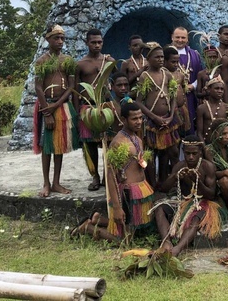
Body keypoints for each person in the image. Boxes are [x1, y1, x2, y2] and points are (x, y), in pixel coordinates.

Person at [70, 102, 156, 241]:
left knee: (138, 231)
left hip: (139, 190)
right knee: (124, 240)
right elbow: (110, 176)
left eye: (141, 118)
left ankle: (99, 219)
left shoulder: (137, 139)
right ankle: (88, 228)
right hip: (126, 193)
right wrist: (116, 207)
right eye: (134, 119)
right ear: (123, 120)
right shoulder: (117, 143)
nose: (139, 122)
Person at [153, 135, 225, 257]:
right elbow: (164, 189)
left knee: (195, 217)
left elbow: (211, 195)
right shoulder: (180, 166)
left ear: (200, 153)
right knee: (159, 208)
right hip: (184, 201)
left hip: (204, 203)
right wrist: (174, 177)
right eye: (187, 153)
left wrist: (197, 181)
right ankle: (166, 243)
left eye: (194, 153)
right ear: (183, 152)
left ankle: (177, 249)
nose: (190, 157)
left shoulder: (208, 166)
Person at [33, 25, 79, 197]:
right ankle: (46, 183)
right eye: (56, 38)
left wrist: (57, 105)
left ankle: (56, 182)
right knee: (46, 146)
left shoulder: (67, 60)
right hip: (46, 107)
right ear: (48, 40)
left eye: (62, 38)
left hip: (61, 107)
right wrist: (47, 111)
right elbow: (38, 87)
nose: (60, 42)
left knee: (59, 145)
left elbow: (71, 86)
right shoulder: (41, 61)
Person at [74, 29, 116, 191]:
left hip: (105, 107)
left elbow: (120, 79)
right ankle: (95, 176)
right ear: (87, 43)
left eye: (99, 42)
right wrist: (78, 113)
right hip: (88, 107)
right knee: (89, 144)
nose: (97, 45)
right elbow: (76, 90)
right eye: (93, 42)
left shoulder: (109, 60)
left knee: (108, 142)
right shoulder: (80, 64)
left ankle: (107, 175)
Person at [135, 42, 181, 184]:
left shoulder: (167, 74)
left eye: (162, 57)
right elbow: (139, 102)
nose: (161, 59)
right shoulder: (144, 76)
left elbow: (173, 97)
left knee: (166, 152)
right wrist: (154, 117)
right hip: (152, 122)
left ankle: (163, 182)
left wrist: (171, 116)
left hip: (168, 120)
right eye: (157, 57)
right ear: (149, 59)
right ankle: (151, 184)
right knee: (150, 153)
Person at [170, 27, 204, 131]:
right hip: (172, 98)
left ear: (187, 39)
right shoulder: (165, 54)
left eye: (183, 37)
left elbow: (201, 74)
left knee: (190, 127)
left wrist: (193, 86)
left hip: (190, 96)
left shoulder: (194, 54)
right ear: (172, 37)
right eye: (177, 37)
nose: (180, 40)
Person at [164, 45, 191, 136]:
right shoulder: (163, 75)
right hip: (170, 112)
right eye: (173, 62)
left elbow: (183, 92)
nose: (176, 64)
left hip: (182, 109)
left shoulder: (180, 75)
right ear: (165, 61)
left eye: (177, 62)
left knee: (182, 134)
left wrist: (186, 108)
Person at [195, 76, 228, 142]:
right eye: (217, 88)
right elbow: (199, 133)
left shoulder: (227, 107)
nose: (220, 91)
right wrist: (205, 148)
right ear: (209, 89)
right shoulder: (202, 108)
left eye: (222, 89)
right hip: (207, 144)